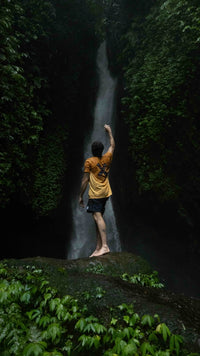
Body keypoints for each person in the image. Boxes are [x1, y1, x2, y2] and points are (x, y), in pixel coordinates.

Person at [79, 124, 115, 257]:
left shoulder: (89, 162)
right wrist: (110, 132)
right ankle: (98, 247)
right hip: (105, 193)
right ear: (101, 150)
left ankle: (105, 246)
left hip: (96, 194)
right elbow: (112, 146)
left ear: (92, 150)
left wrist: (80, 196)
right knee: (97, 217)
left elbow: (84, 180)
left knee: (97, 216)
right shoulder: (107, 158)